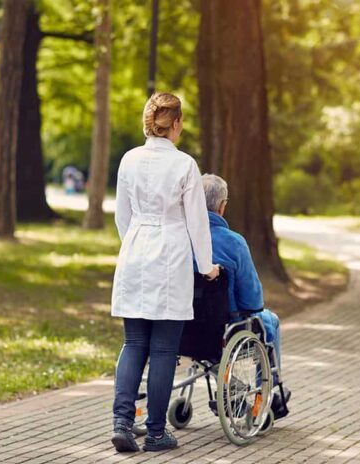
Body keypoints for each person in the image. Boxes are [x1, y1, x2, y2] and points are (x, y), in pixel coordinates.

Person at [110, 92, 220, 453]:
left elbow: (121, 216)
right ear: (175, 125)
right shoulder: (185, 165)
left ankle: (123, 424)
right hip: (170, 259)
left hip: (135, 253)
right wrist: (207, 267)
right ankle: (156, 433)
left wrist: (136, 244)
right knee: (162, 350)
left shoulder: (129, 160)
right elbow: (197, 223)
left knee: (133, 343)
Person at [200, 174, 290, 410]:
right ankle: (270, 390)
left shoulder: (180, 237)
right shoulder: (234, 242)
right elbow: (252, 300)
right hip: (226, 325)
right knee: (270, 320)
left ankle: (235, 385)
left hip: (184, 324)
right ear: (222, 206)